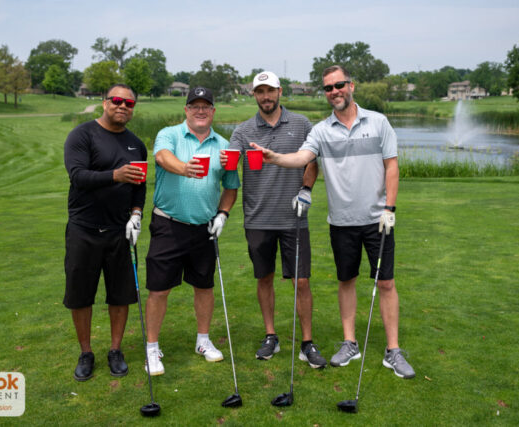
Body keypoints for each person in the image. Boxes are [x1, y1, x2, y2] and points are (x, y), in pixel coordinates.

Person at [250, 65, 415, 379]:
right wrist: (274, 157)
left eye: (339, 85)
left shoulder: (378, 122)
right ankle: (350, 342)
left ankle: (393, 350)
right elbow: (302, 158)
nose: (334, 91)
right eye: (328, 88)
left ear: (351, 85)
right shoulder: (322, 131)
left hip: (378, 218)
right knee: (346, 281)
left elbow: (391, 167)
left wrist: (390, 207)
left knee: (386, 283)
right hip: (341, 222)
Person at [221, 71, 326, 368]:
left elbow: (311, 162)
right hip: (257, 217)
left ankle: (307, 342)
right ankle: (271, 336)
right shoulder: (243, 130)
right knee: (263, 277)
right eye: (260, 92)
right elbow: (230, 165)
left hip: (294, 217)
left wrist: (306, 190)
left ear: (280, 91)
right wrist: (223, 161)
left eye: (270, 91)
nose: (265, 97)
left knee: (301, 281)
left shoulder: (301, 123)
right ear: (254, 95)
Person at [144, 87, 240, 376]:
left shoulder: (224, 145)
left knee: (204, 286)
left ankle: (203, 340)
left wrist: (222, 214)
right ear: (186, 110)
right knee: (159, 289)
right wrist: (185, 168)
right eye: (194, 106)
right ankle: (152, 348)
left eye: (206, 106)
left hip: (203, 229)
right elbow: (162, 158)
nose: (200, 111)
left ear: (213, 111)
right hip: (168, 225)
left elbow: (231, 186)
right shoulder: (169, 134)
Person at [63, 83, 147, 381]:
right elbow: (78, 176)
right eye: (117, 100)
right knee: (80, 294)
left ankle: (115, 350)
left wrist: (136, 216)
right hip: (84, 228)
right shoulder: (82, 135)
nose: (123, 106)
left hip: (119, 230)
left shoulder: (136, 144)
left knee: (120, 295)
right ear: (104, 102)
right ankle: (86, 352)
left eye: (129, 103)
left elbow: (140, 185)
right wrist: (115, 175)